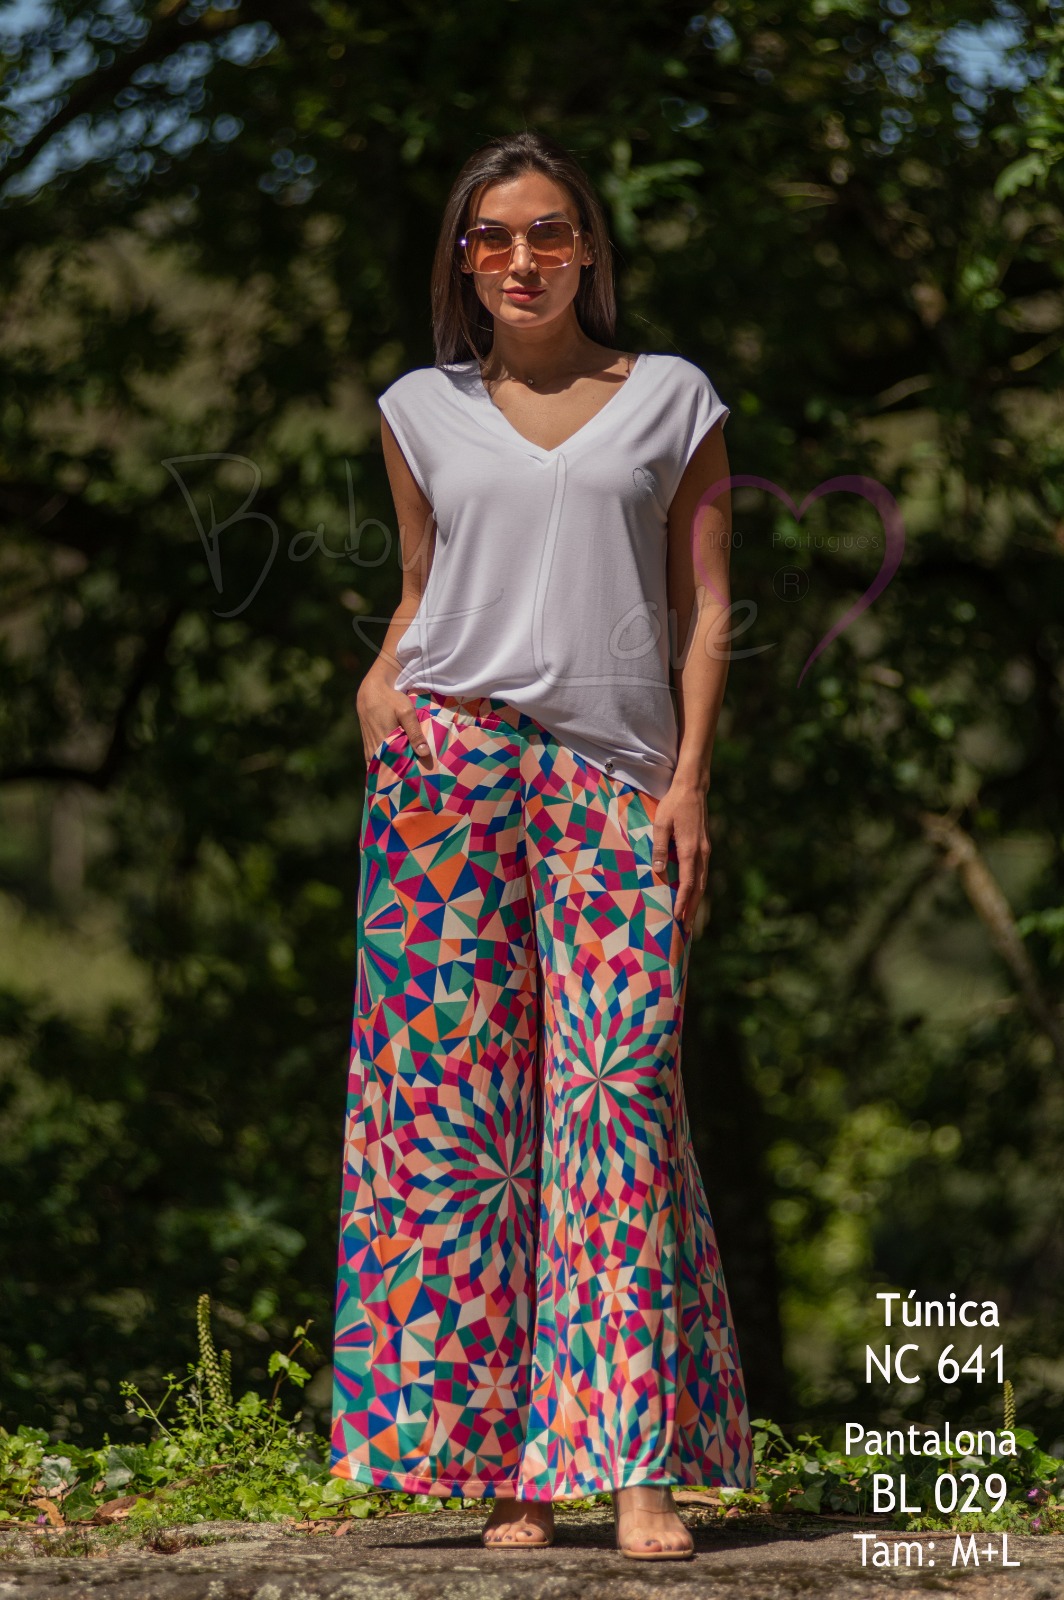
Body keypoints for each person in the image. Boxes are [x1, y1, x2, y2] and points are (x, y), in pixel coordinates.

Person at [329, 129, 754, 1562]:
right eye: (494, 237)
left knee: (615, 1104)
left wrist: (690, 783)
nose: (523, 259)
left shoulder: (674, 399)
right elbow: (422, 587)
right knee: (459, 1129)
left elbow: (706, 608)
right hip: (448, 774)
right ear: (464, 259)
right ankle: (510, 1466)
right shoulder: (418, 409)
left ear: (589, 249)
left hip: (613, 784)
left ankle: (634, 1468)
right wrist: (382, 683)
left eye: (549, 232)